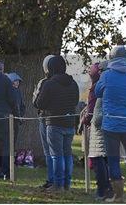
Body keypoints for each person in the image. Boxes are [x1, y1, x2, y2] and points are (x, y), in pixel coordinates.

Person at [95, 45, 126, 202]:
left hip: (111, 125)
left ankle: (118, 196)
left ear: (111, 58)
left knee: (113, 159)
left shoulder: (107, 75)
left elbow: (97, 92)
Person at [35, 55, 79, 192]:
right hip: (69, 122)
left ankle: (58, 185)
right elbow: (75, 101)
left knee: (56, 155)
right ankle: (67, 184)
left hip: (54, 123)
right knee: (67, 154)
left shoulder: (49, 83)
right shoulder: (73, 83)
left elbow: (39, 103)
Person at [32, 55, 55, 190]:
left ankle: (52, 179)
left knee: (49, 151)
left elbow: (36, 102)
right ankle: (62, 179)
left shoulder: (44, 82)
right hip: (62, 119)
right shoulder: (69, 81)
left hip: (46, 118)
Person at [88, 96, 113, 201]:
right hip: (111, 133)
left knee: (99, 163)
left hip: (99, 135)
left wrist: (92, 120)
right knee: (105, 164)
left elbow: (98, 120)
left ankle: (102, 191)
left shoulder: (102, 98)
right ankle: (108, 189)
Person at [7, 72, 25, 147]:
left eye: (18, 81)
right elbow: (14, 106)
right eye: (15, 81)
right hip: (10, 118)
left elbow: (21, 104)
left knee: (14, 139)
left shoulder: (18, 91)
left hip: (17, 118)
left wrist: (21, 114)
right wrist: (19, 116)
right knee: (9, 139)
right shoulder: (9, 91)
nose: (17, 83)